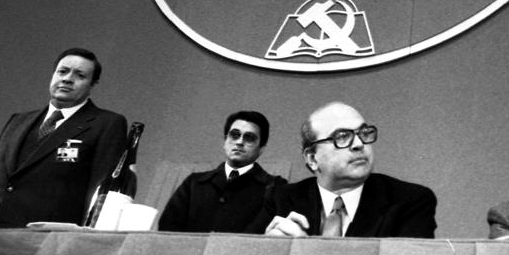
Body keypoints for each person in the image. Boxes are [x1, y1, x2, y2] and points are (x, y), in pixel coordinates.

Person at [0, 47, 128, 228]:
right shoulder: (19, 120)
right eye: (62, 71)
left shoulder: (107, 124)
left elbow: (100, 192)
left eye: (80, 75)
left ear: (92, 84)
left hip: (37, 239)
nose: (67, 79)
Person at [246, 101, 437, 237]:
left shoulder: (410, 201)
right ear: (312, 158)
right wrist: (269, 250)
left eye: (364, 133)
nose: (359, 144)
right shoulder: (281, 200)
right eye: (342, 137)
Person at [158, 110, 286, 232]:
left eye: (249, 138)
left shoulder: (275, 188)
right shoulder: (194, 183)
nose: (240, 142)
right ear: (225, 141)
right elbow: (168, 228)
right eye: (234, 135)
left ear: (261, 149)